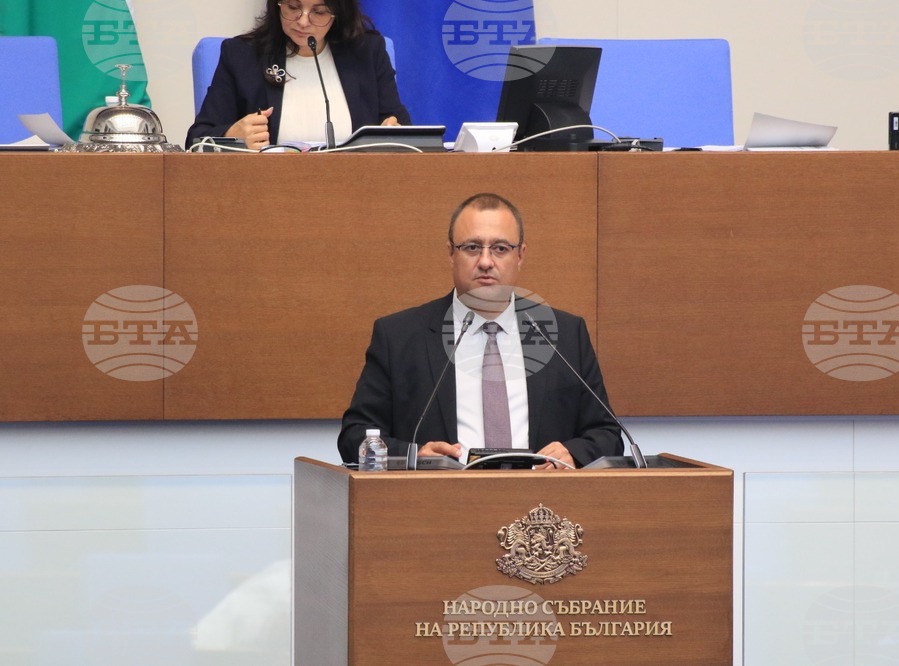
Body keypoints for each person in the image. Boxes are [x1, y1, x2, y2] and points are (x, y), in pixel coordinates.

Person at [337, 193, 623, 469]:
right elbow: (355, 435)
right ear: (451, 253)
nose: (486, 262)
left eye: (500, 248)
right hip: (440, 496)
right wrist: (415, 457)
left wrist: (573, 454)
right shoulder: (399, 337)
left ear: (520, 255)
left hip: (542, 498)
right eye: (472, 247)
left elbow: (607, 434)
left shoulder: (565, 334)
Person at [185, 0, 410, 150]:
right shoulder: (243, 56)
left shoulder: (367, 52)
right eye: (293, 7)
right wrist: (232, 137)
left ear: (338, 13)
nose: (303, 21)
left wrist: (394, 132)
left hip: (356, 192)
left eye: (319, 12)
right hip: (267, 194)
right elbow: (195, 140)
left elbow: (405, 134)